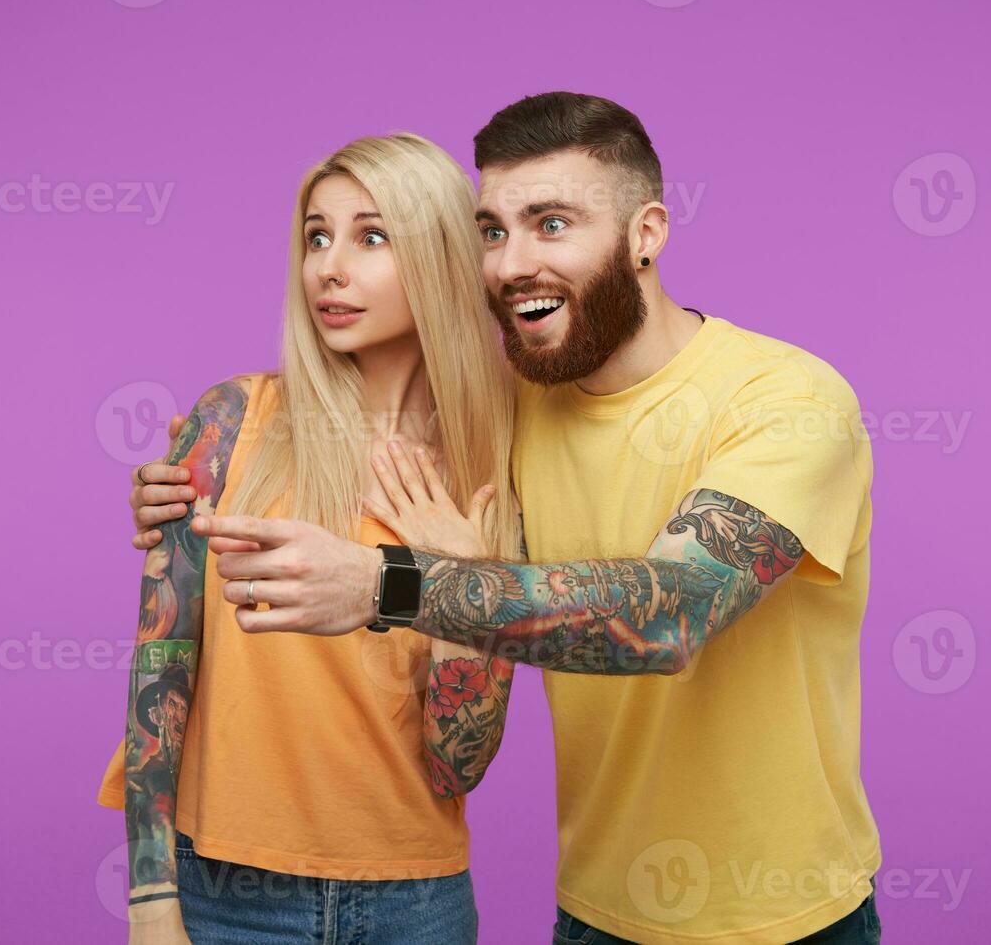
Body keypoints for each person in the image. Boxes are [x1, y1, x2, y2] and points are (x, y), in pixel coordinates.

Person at [132, 92, 883, 944]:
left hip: (783, 919)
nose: (511, 263)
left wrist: (399, 585)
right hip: (597, 912)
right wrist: (180, 484)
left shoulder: (787, 401)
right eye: (492, 231)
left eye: (551, 223)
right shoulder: (514, 407)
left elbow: (672, 614)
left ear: (646, 234)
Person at [101, 132, 525, 945]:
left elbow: (456, 764)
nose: (330, 266)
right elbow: (162, 659)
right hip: (225, 895)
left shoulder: (497, 463)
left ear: (440, 258)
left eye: (371, 237)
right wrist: (150, 895)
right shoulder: (232, 422)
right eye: (317, 237)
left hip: (416, 903)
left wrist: (462, 584)